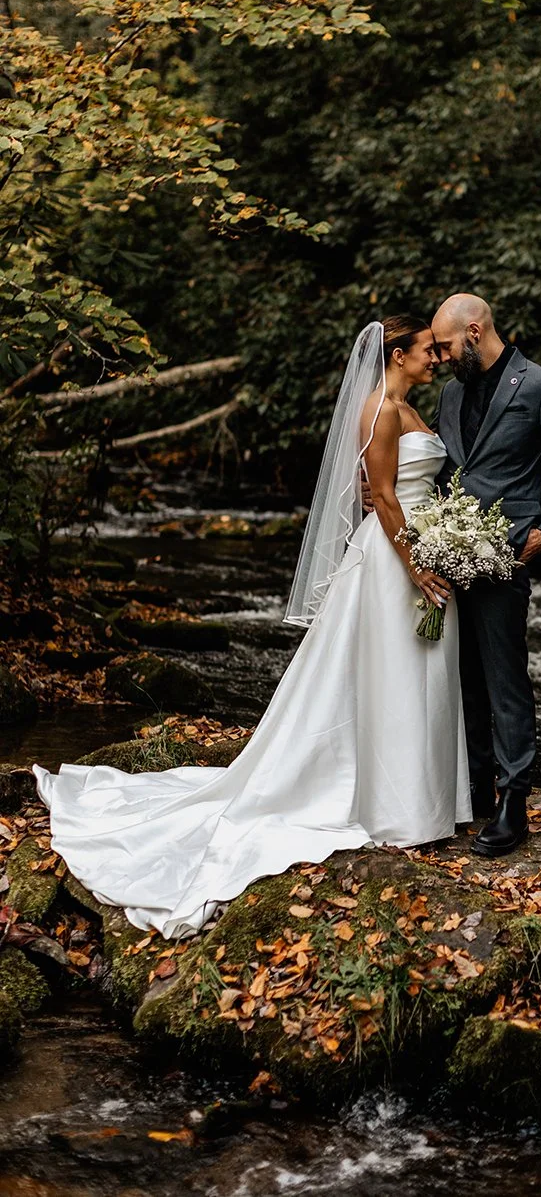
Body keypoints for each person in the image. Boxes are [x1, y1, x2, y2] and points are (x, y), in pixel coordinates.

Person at [33, 316, 470, 940]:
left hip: (418, 550)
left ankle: (425, 800)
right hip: (398, 561)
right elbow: (386, 498)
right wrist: (419, 568)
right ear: (398, 354)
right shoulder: (380, 409)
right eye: (429, 350)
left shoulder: (403, 405)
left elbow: (387, 492)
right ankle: (398, 808)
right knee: (397, 675)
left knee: (416, 671)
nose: (437, 358)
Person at [429, 294, 541, 858]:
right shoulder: (452, 392)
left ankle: (513, 804)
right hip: (449, 556)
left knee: (505, 680)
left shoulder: (540, 385)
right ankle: (477, 789)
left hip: (508, 556)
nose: (440, 357)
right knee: (464, 678)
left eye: (446, 346)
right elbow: (441, 467)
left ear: (475, 332)